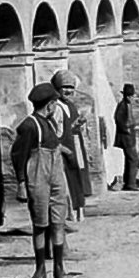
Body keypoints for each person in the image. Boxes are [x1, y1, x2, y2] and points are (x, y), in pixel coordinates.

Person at [10, 82, 71, 278]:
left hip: (55, 177)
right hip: (38, 178)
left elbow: (53, 145)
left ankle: (59, 269)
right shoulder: (29, 126)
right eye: (55, 103)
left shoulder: (50, 123)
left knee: (58, 222)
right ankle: (40, 270)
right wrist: (21, 183)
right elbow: (19, 155)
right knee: (40, 224)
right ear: (50, 104)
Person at [50, 69, 91, 226]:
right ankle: (69, 213)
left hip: (76, 145)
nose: (68, 91)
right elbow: (57, 131)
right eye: (64, 87)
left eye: (70, 87)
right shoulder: (57, 107)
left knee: (77, 177)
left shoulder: (70, 105)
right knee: (67, 180)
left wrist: (78, 125)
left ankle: (78, 210)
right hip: (66, 147)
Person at [113, 83, 139, 192]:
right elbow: (118, 119)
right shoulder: (123, 105)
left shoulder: (127, 105)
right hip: (126, 137)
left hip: (130, 135)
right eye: (131, 96)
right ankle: (131, 183)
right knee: (133, 159)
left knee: (130, 160)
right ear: (128, 96)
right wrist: (127, 129)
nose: (133, 98)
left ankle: (129, 182)